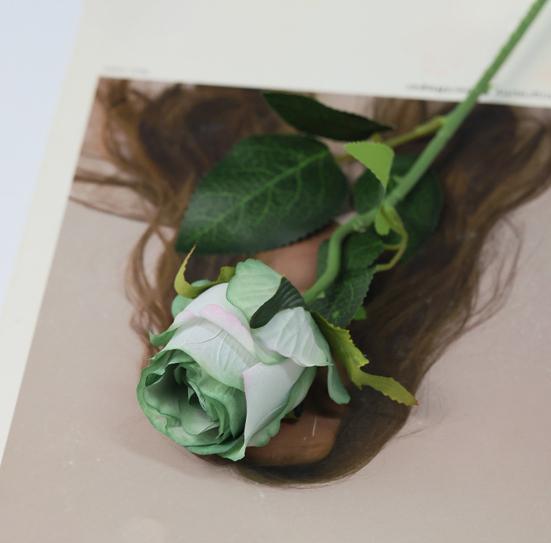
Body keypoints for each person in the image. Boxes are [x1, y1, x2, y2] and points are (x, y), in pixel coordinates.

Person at [74, 79, 551, 484]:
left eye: (276, 402)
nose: (298, 369)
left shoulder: (119, 132)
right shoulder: (434, 199)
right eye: (319, 395)